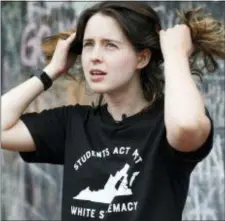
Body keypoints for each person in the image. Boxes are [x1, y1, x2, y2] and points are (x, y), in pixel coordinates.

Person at [1, 2, 225, 221]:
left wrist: (176, 55)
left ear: (142, 57)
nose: (95, 56)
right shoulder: (73, 124)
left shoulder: (165, 124)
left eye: (110, 45)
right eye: (89, 44)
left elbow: (187, 126)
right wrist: (50, 71)